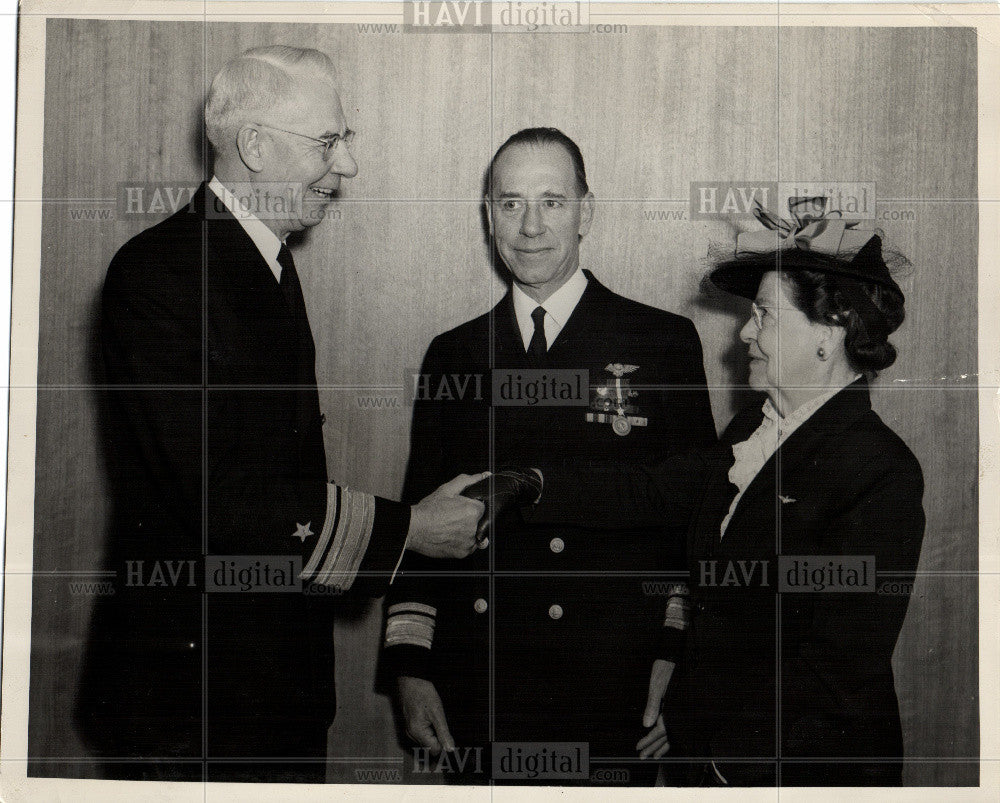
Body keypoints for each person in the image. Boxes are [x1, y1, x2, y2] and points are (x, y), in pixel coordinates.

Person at [76, 45, 485, 783]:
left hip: (264, 689)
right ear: (255, 146)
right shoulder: (160, 274)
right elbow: (220, 499)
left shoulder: (262, 256)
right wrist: (412, 529)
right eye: (329, 143)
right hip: (193, 704)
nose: (348, 167)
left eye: (344, 142)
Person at [530, 198, 926, 786]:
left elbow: (834, 672)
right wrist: (529, 484)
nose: (745, 333)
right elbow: (653, 490)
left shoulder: (879, 471)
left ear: (830, 333)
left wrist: (718, 757)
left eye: (764, 315)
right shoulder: (752, 430)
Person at [380, 127, 716, 786]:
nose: (530, 226)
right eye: (510, 204)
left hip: (614, 682)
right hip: (483, 682)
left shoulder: (661, 341)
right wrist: (410, 667)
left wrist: (678, 653)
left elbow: (696, 516)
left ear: (586, 211)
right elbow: (422, 523)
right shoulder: (455, 354)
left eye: (553, 202)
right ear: (488, 216)